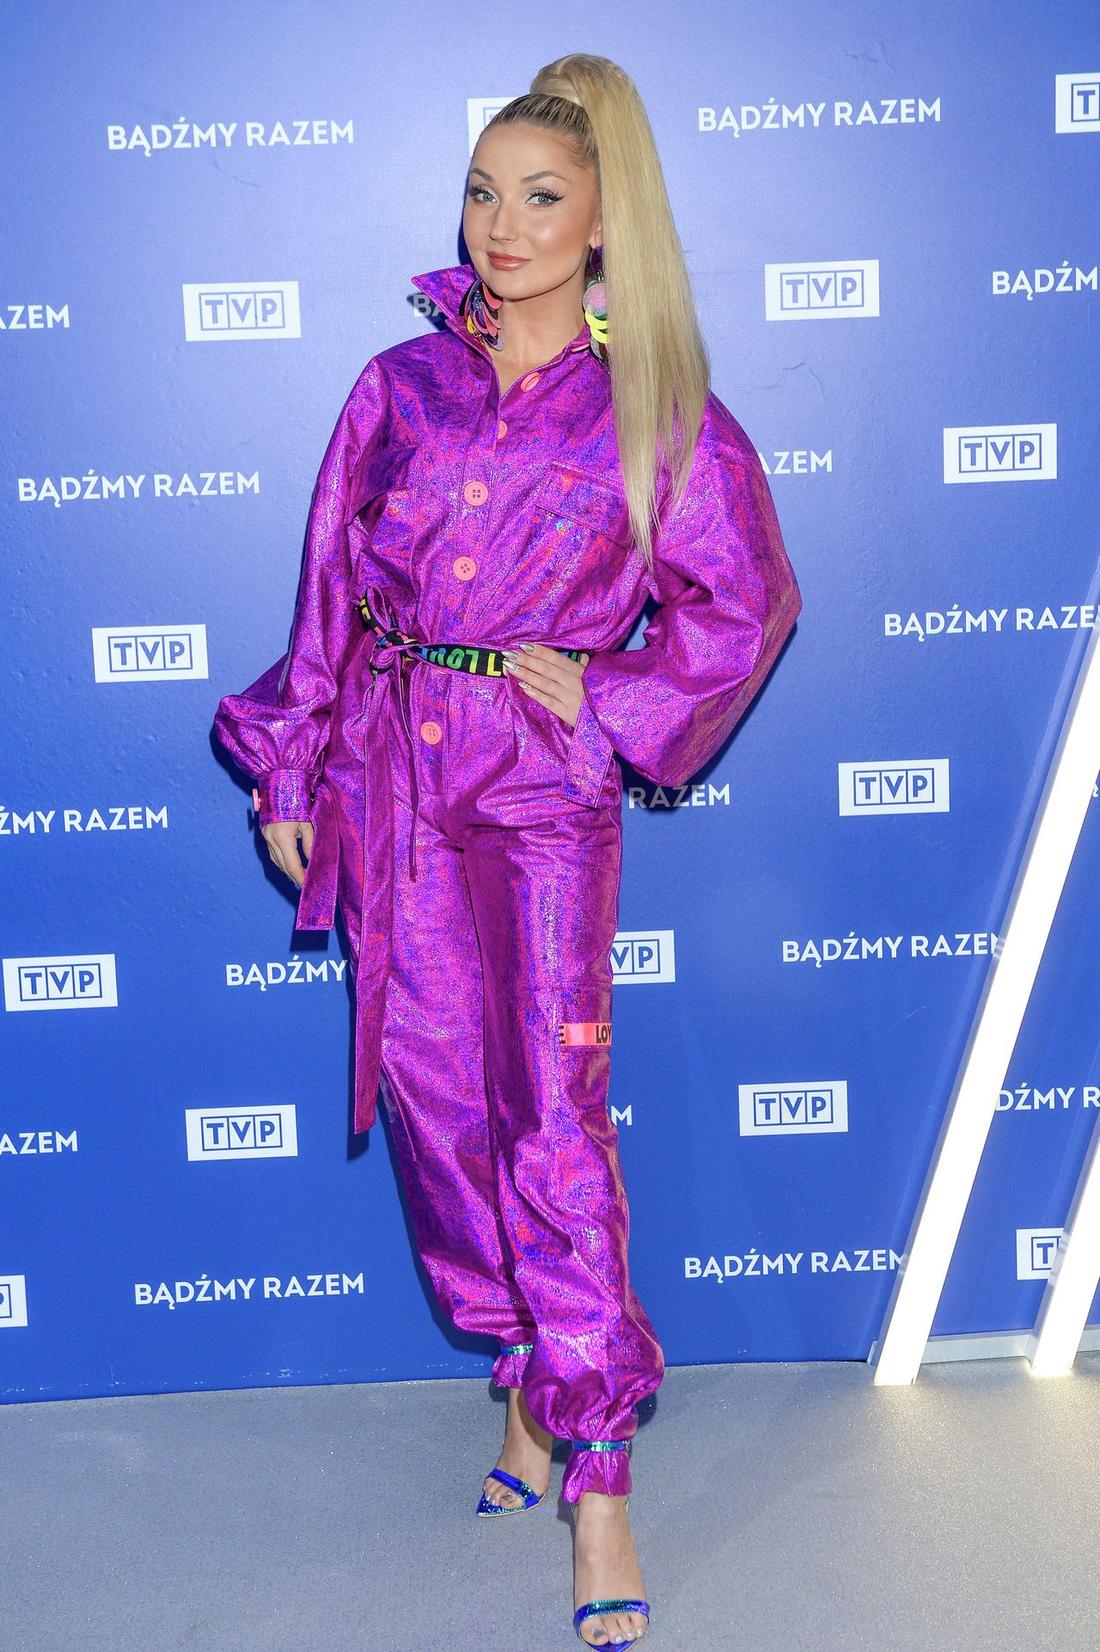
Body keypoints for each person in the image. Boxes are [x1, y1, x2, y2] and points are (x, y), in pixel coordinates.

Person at [213, 52, 802, 1651]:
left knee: (550, 1110)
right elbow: (332, 587)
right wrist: (294, 758)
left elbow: (745, 603)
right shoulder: (397, 389)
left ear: (606, 221)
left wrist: (610, 693)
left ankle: (597, 1465)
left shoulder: (654, 408)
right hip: (395, 767)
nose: (503, 224)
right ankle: (530, 1377)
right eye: (484, 191)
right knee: (433, 1099)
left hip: (538, 783)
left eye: (542, 197)